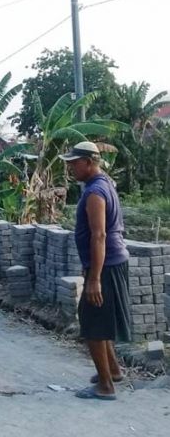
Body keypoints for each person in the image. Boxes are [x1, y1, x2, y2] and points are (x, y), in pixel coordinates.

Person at [60, 141, 131, 401]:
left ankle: (105, 386)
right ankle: (113, 370)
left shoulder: (95, 193)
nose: (70, 168)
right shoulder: (103, 184)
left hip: (107, 263)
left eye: (74, 163)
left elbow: (99, 235)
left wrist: (94, 279)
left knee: (92, 323)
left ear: (89, 162)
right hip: (111, 261)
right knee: (101, 319)